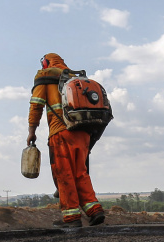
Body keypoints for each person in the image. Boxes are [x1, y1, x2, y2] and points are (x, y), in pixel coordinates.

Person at [27, 53, 105, 227]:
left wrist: (32, 131)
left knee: (64, 174)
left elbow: (36, 105)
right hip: (83, 132)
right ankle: (94, 210)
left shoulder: (45, 78)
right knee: (81, 172)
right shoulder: (74, 78)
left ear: (45, 63)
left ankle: (71, 218)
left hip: (61, 133)